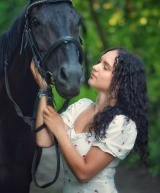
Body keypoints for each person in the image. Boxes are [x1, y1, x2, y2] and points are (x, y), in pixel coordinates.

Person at [30, 47, 149, 193]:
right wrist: (44, 90)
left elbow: (83, 173)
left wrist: (60, 130)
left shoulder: (122, 124)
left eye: (105, 67)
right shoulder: (81, 106)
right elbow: (43, 139)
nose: (95, 66)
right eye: (99, 62)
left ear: (119, 83)